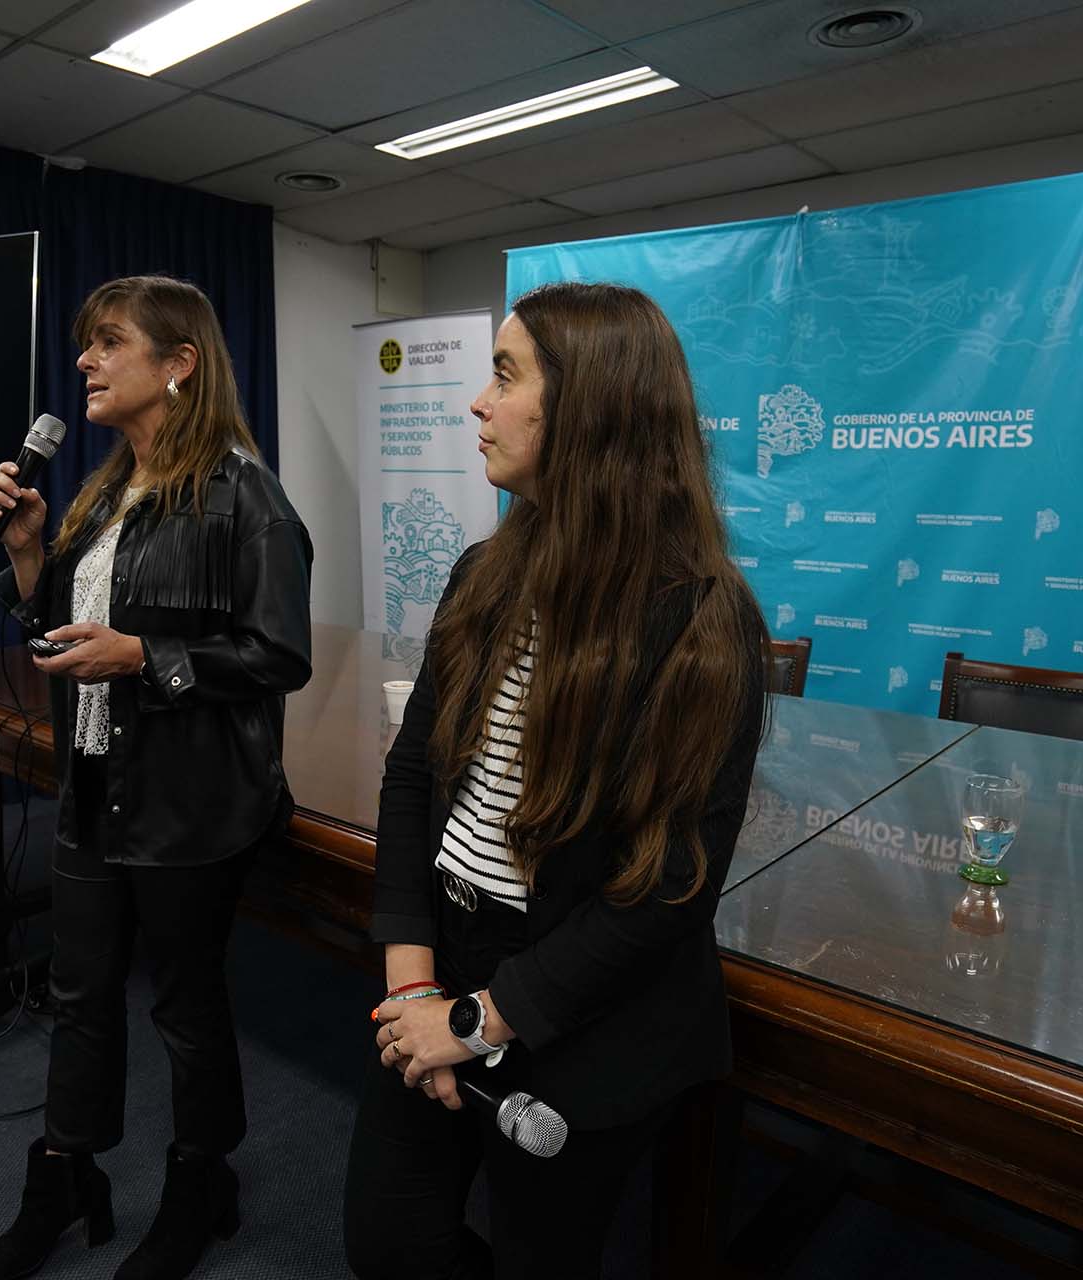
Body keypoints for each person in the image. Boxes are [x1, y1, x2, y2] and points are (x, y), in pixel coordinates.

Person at [343, 282, 771, 1279]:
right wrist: (416, 990)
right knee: (389, 1242)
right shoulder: (482, 574)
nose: (477, 402)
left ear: (590, 407)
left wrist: (474, 1024)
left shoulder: (704, 621)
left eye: (505, 376)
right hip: (445, 961)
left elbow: (668, 887)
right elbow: (412, 780)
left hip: (586, 1002)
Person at [0, 275, 312, 1280]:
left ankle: (201, 1182)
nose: (85, 360)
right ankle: (64, 1176)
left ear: (179, 363)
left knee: (185, 1006)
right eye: (87, 343)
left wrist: (144, 657)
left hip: (192, 799)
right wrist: (29, 553)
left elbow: (280, 655)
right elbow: (60, 628)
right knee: (78, 992)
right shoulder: (103, 490)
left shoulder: (245, 494)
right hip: (92, 780)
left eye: (109, 341)